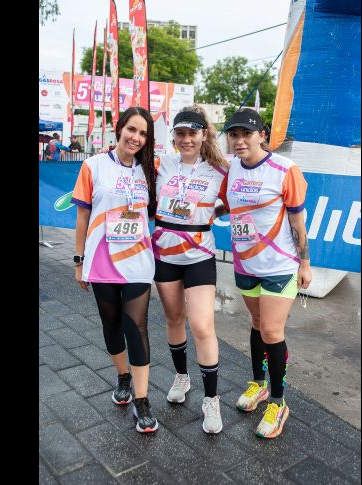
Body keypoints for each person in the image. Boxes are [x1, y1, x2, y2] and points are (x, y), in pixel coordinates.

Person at [219, 108, 311, 439]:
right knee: (257, 324)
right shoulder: (230, 168)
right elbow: (226, 206)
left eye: (247, 133)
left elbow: (298, 222)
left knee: (272, 330)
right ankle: (258, 385)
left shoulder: (285, 169)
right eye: (233, 134)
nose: (239, 140)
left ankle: (278, 402)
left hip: (279, 266)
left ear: (262, 135)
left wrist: (305, 263)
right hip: (245, 264)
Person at [70, 106, 160, 433]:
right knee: (111, 324)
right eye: (131, 129)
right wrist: (79, 261)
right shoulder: (92, 166)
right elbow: (82, 216)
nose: (136, 137)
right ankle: (123, 377)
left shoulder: (150, 170)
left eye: (143, 133)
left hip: (137, 261)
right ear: (119, 128)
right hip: (101, 259)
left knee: (136, 327)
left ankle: (142, 400)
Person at [151, 106, 230, 434]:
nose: (186, 139)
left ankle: (211, 399)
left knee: (201, 325)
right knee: (173, 319)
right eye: (180, 133)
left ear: (203, 134)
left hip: (199, 255)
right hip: (165, 253)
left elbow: (233, 200)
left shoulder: (219, 169)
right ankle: (182, 377)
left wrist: (210, 213)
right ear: (174, 136)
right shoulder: (161, 164)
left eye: (192, 133)